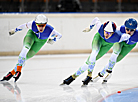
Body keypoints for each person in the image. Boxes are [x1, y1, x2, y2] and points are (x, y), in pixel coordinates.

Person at [61, 17, 131, 86]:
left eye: (109, 33)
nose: (106, 35)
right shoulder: (100, 28)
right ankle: (89, 75)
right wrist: (90, 27)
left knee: (89, 61)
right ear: (103, 29)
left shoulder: (119, 37)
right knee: (94, 53)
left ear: (113, 33)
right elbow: (96, 19)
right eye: (106, 32)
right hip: (99, 39)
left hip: (108, 45)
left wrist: (128, 39)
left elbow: (127, 36)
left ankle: (73, 77)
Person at [0, 14, 62, 82]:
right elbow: (23, 26)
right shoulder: (32, 24)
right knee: (26, 48)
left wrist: (54, 40)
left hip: (41, 41)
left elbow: (59, 36)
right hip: (32, 35)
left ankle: (11, 73)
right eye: (39, 25)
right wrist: (15, 30)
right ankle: (19, 70)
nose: (41, 28)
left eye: (43, 25)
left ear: (46, 24)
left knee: (26, 57)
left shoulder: (50, 30)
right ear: (36, 23)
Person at [92, 18, 138, 83]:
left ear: (135, 29)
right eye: (127, 29)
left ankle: (102, 73)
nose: (129, 31)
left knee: (117, 59)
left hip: (129, 45)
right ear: (125, 27)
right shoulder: (120, 29)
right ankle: (107, 71)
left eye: (132, 30)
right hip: (120, 41)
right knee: (116, 51)